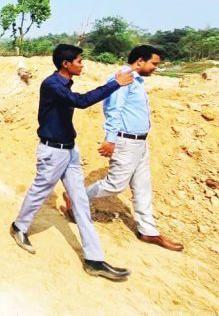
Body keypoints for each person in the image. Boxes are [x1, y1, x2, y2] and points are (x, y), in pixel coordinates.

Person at [10, 44, 134, 281]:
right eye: (79, 61)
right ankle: (19, 227)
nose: (82, 65)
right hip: (52, 152)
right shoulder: (52, 85)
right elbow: (81, 101)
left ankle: (94, 260)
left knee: (80, 202)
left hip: (69, 150)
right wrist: (115, 84)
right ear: (66, 64)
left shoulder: (64, 83)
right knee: (39, 191)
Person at [78, 45, 183, 252]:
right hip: (125, 141)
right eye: (154, 63)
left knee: (143, 187)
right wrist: (110, 140)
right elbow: (114, 110)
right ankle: (76, 197)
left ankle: (148, 231)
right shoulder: (123, 78)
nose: (156, 67)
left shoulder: (136, 80)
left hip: (140, 142)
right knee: (115, 185)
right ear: (140, 61)